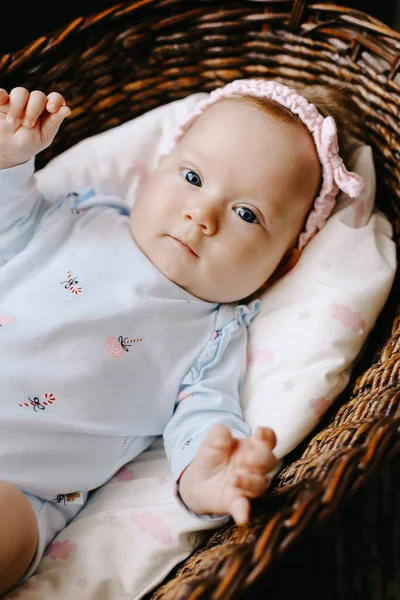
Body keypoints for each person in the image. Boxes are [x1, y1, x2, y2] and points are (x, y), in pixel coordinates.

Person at [0, 78, 364, 593]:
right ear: (156, 170)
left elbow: (204, 421)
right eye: (192, 176)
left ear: (285, 260)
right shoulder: (81, 217)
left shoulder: (215, 334)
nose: (203, 215)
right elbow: (6, 226)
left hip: (22, 488)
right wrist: (10, 162)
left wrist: (209, 476)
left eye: (246, 214)